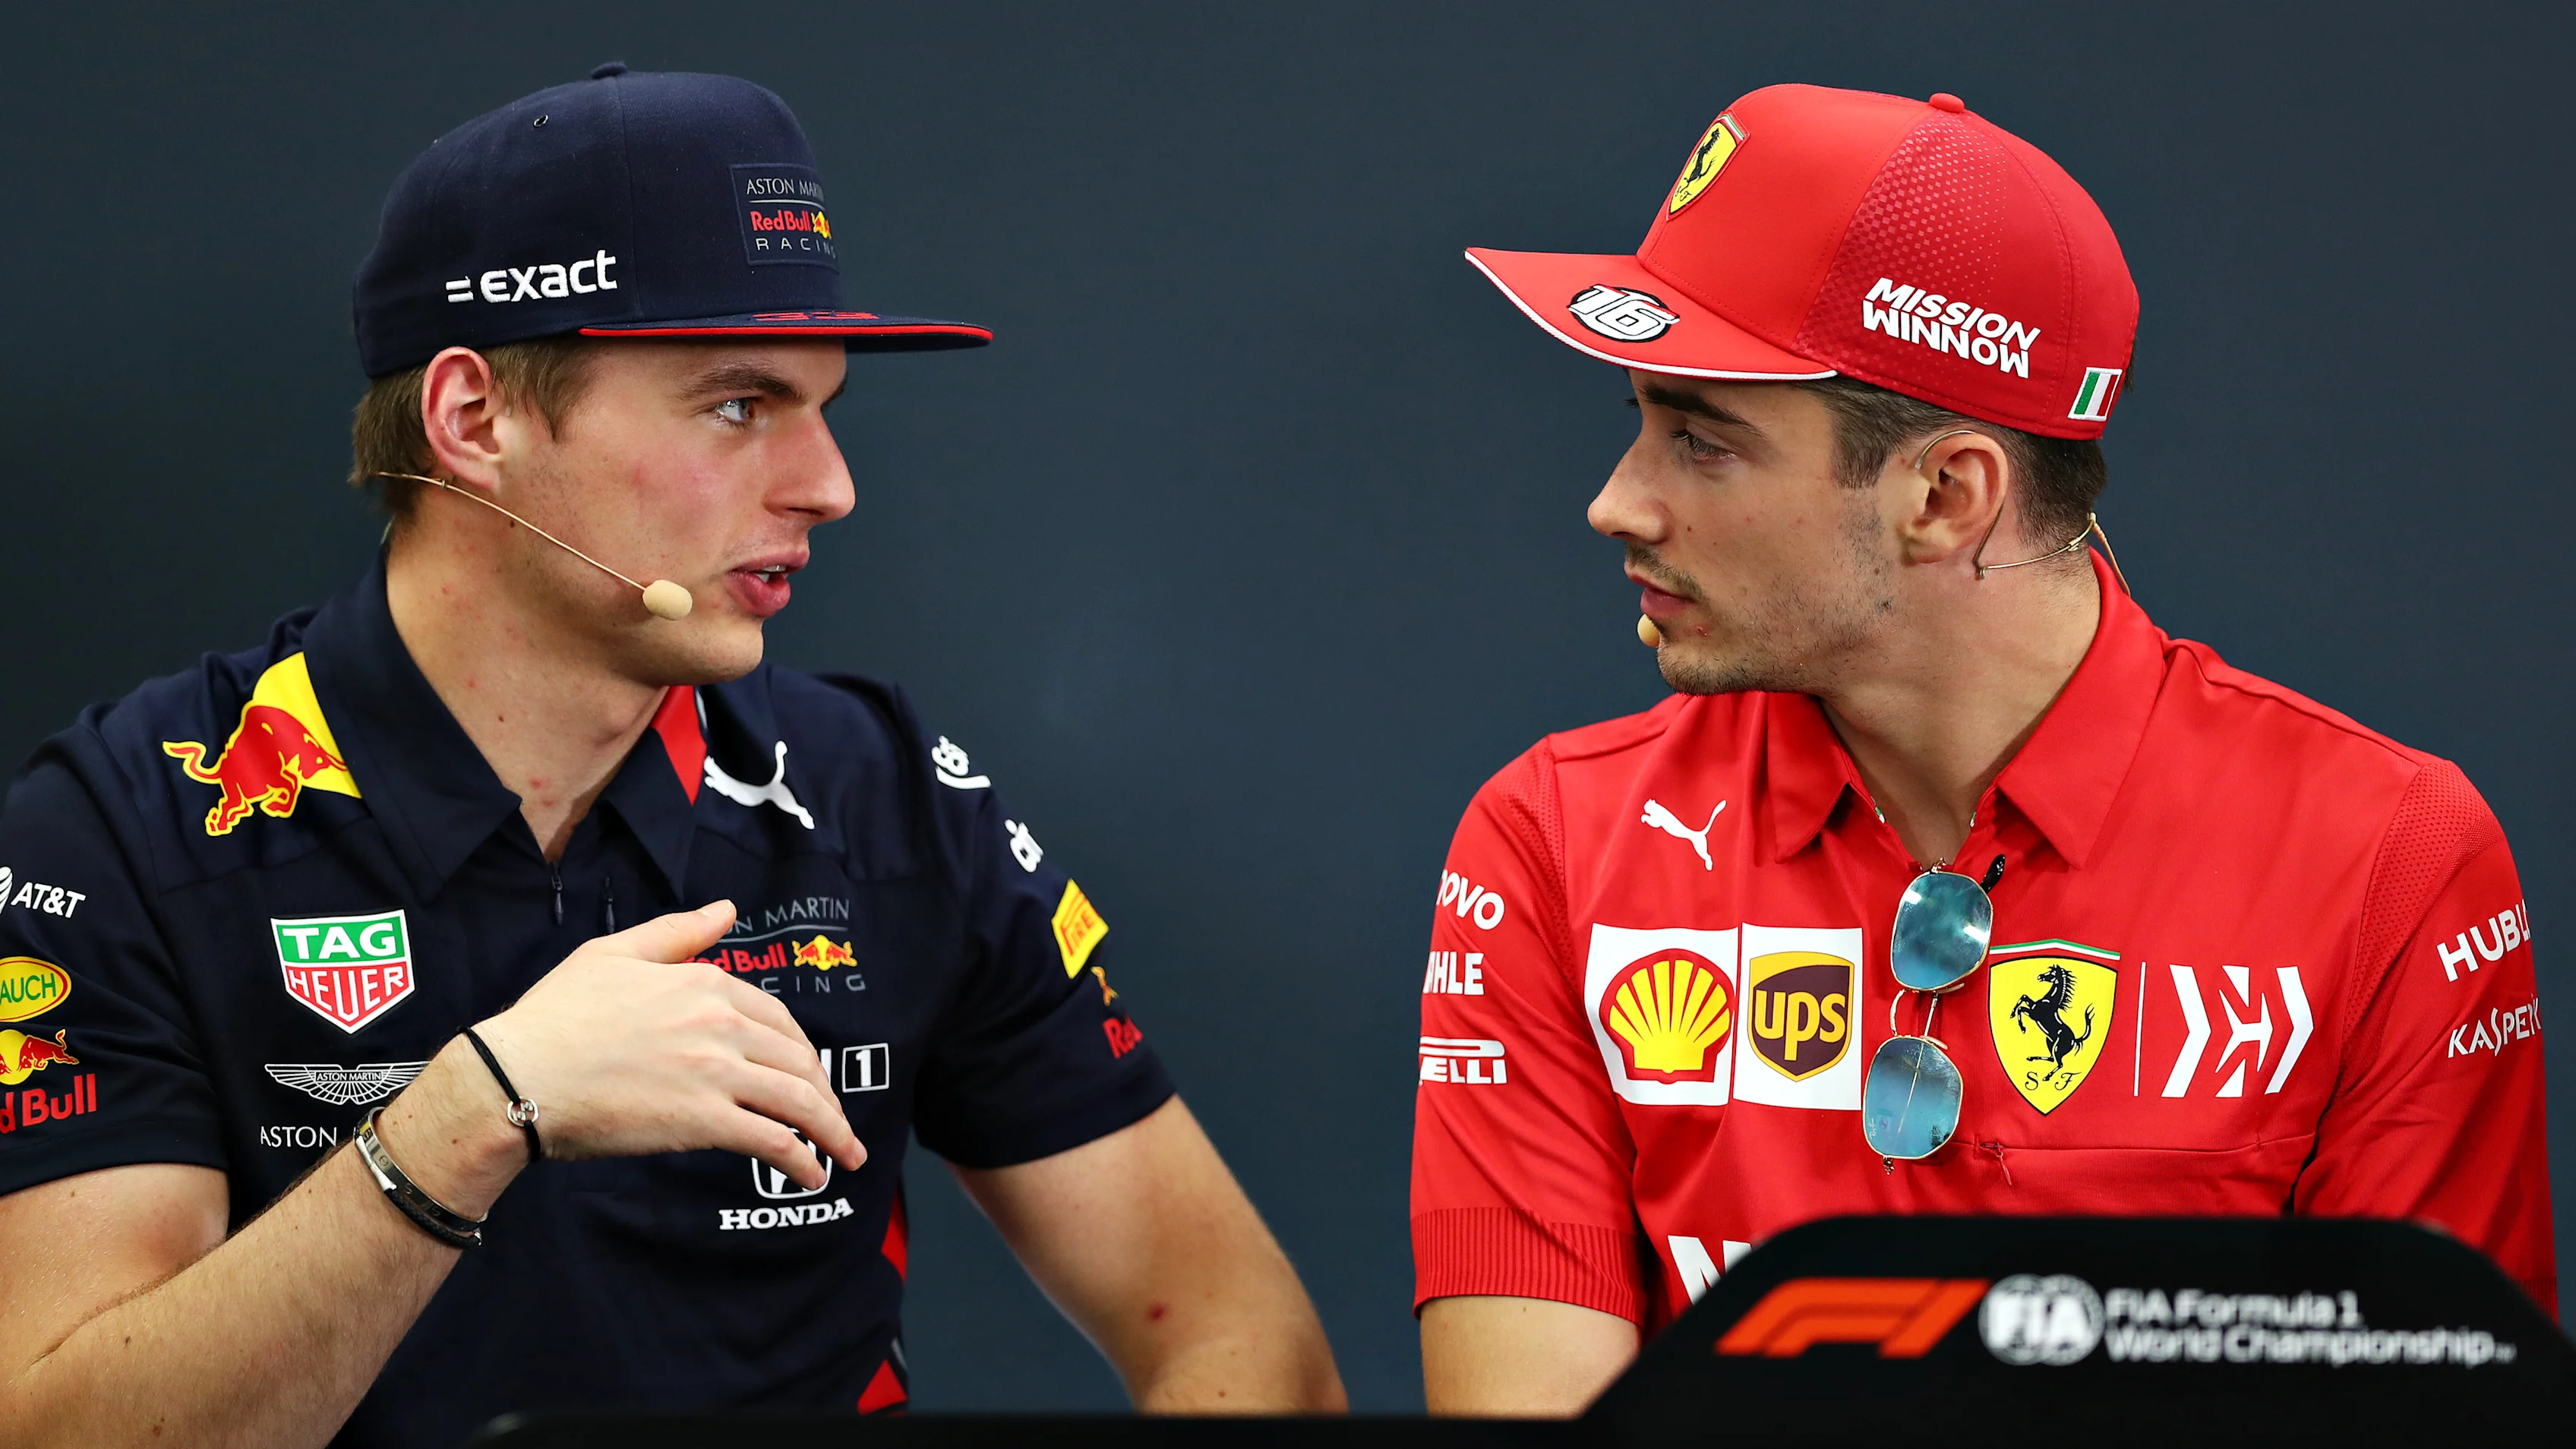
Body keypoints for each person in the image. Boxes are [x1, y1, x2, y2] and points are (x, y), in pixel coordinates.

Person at [0, 67, 1341, 1448]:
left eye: (821, 405)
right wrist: (472, 1116)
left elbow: (1240, 1335)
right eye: (739, 405)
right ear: (474, 422)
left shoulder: (882, 795)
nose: (829, 486)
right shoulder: (128, 828)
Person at [1411, 83, 2552, 1414]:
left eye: (1703, 442)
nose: (1617, 504)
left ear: (1947, 496)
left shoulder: (2392, 859)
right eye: (1639, 423)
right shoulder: (1554, 841)